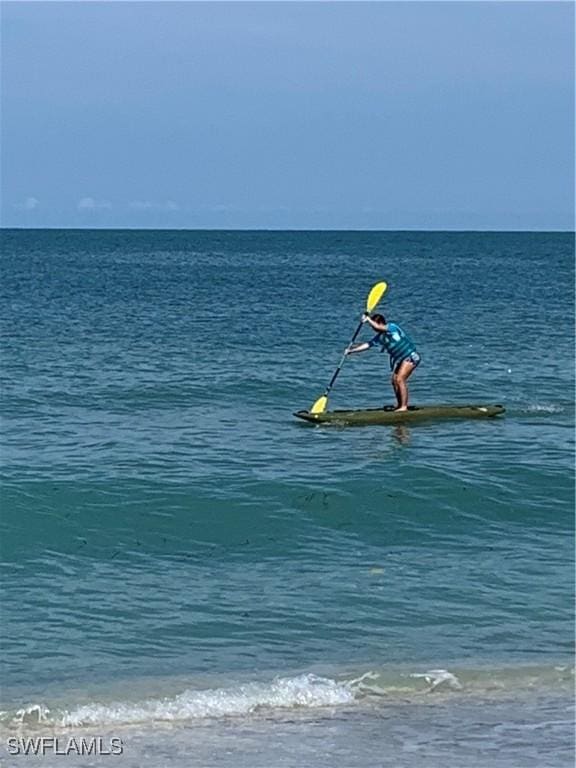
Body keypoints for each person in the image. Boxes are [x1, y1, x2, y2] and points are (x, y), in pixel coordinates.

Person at [345, 313, 420, 411]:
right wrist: (351, 351)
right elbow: (367, 345)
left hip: (411, 356)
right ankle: (399, 404)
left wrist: (368, 319)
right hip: (402, 360)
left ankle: (404, 407)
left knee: (400, 379)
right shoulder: (380, 337)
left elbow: (377, 327)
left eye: (374, 326)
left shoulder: (392, 327)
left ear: (380, 323)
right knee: (394, 380)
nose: (373, 329)